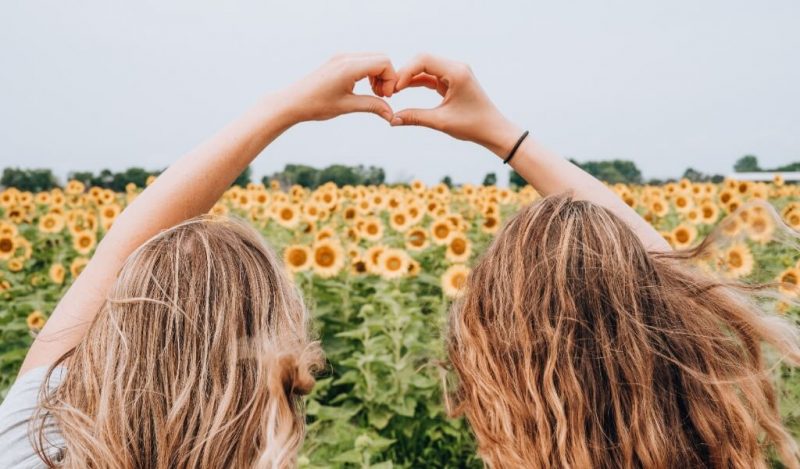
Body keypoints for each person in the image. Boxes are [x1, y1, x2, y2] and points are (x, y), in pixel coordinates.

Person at [388, 54, 800, 468]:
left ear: (503, 380)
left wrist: (497, 134)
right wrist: (501, 133)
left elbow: (672, 285)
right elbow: (672, 287)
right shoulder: (706, 451)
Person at [0, 53, 401, 468]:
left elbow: (114, 256)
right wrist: (285, 109)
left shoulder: (26, 449)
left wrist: (281, 107)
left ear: (111, 346)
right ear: (272, 380)